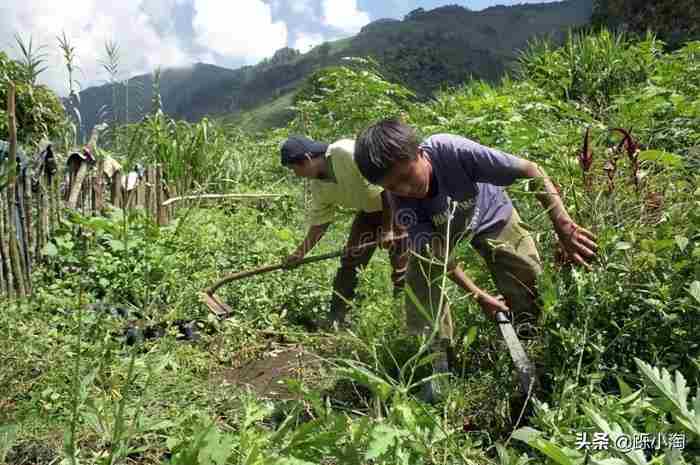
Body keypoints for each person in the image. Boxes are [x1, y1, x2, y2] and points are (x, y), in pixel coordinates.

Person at [354, 118, 597, 403]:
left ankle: (533, 339)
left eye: (407, 176)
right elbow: (440, 257)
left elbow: (531, 171)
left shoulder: (451, 151)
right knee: (420, 278)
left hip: (491, 215)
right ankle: (438, 361)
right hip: (444, 231)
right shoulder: (403, 205)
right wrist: (478, 295)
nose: (405, 189)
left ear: (419, 153)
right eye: (393, 186)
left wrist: (564, 228)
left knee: (526, 276)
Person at [280, 135, 409, 330]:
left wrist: (388, 229)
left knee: (401, 268)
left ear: (307, 159)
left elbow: (386, 187)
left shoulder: (345, 153)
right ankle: (336, 319)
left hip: (397, 207)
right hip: (368, 214)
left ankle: (405, 321)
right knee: (350, 261)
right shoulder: (318, 186)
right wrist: (300, 253)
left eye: (294, 168)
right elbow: (320, 224)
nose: (295, 174)